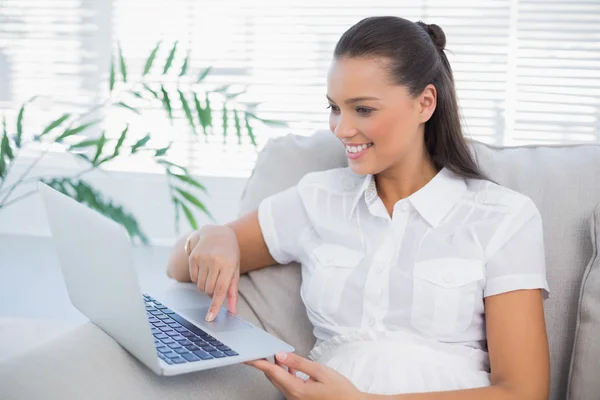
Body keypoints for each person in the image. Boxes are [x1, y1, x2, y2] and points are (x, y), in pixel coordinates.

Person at [166, 16, 550, 400]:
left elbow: (524, 391)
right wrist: (214, 236)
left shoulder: (500, 216)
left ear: (425, 103)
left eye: (363, 109)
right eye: (334, 107)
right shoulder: (319, 198)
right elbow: (178, 267)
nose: (341, 128)